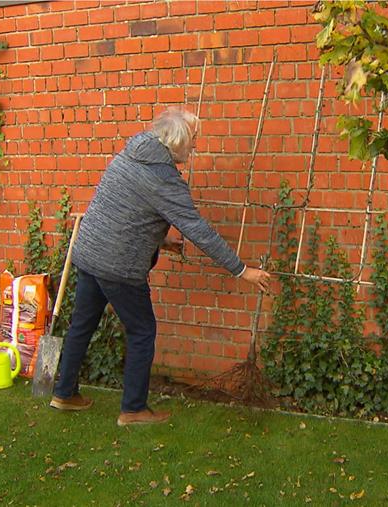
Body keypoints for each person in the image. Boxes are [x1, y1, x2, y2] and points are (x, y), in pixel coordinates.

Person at [50, 108, 271, 426]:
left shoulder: (133, 151)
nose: (194, 149)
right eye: (193, 143)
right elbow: (199, 231)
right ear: (177, 142)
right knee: (142, 331)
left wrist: (161, 241)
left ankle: (64, 392)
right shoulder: (164, 180)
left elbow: (128, 212)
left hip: (88, 252)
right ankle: (133, 409)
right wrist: (241, 270)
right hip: (117, 266)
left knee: (82, 326)